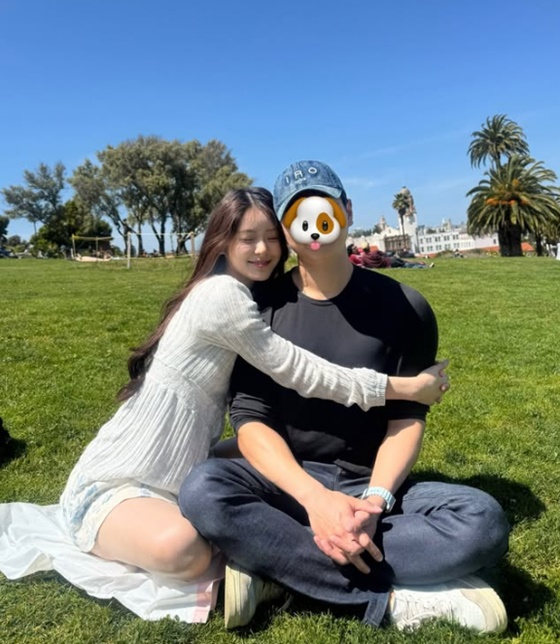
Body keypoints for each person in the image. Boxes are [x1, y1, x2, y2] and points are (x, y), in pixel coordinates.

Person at [58, 187, 449, 590]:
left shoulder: (246, 295)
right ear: (222, 242)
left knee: (255, 471)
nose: (262, 250)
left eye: (271, 238)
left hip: (180, 465)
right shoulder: (223, 296)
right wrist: (404, 388)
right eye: (247, 238)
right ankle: (329, 562)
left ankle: (301, 551)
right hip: (120, 480)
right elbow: (301, 371)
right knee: (187, 550)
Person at [179, 161, 509, 634]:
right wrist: (315, 501)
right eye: (296, 217)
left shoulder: (406, 308)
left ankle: (275, 568)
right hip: (289, 484)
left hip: (370, 483)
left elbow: (405, 421)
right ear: (286, 231)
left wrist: (374, 503)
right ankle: (392, 598)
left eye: (325, 209)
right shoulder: (259, 309)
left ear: (347, 212)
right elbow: (252, 422)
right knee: (204, 490)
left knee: (483, 521)